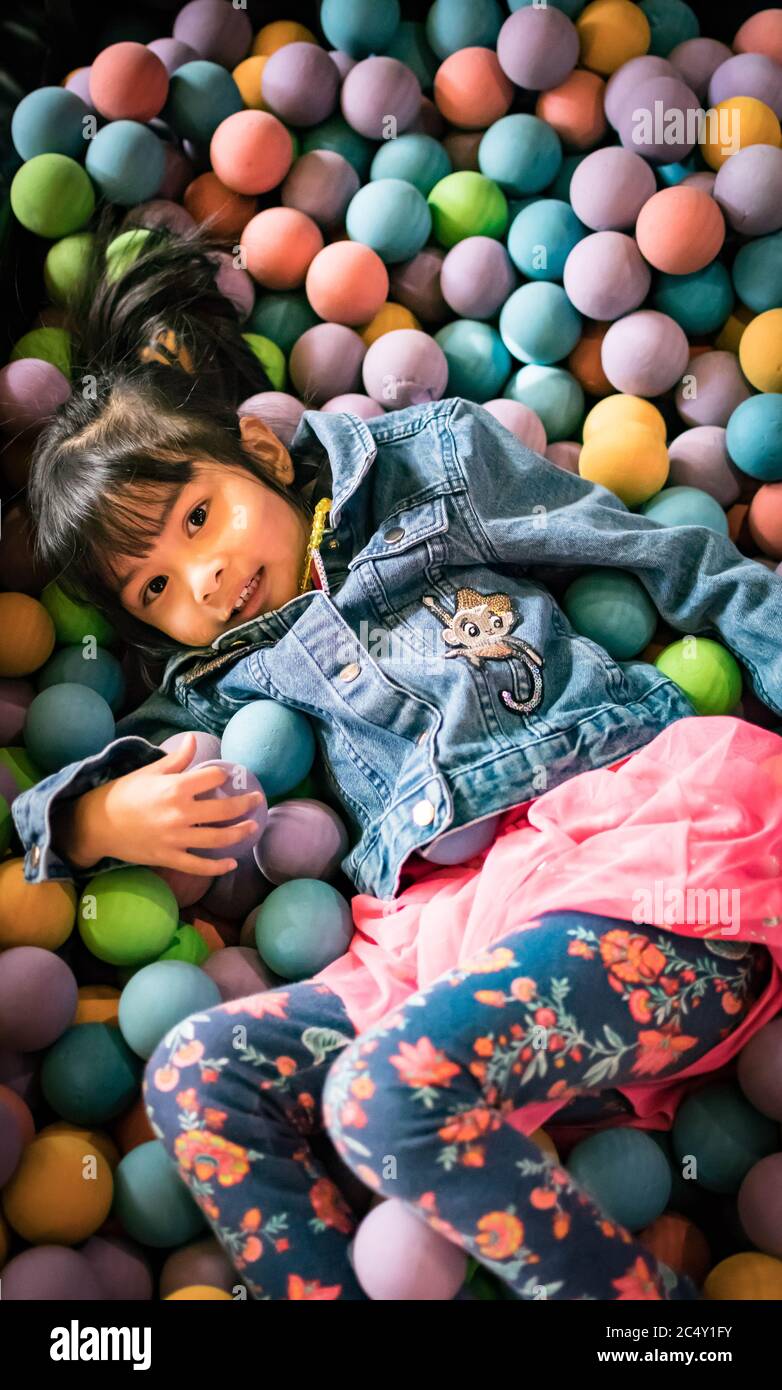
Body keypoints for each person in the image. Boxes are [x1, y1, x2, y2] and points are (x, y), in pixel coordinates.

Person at [12, 216, 782, 1301]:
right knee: (195, 1072)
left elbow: (668, 551)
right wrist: (91, 818)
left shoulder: (427, 468)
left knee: (381, 1093)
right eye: (152, 589)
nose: (202, 580)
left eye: (198, 514)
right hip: (452, 937)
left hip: (632, 856)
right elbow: (88, 766)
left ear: (264, 454)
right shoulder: (213, 682)